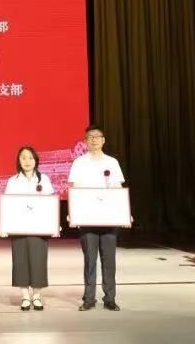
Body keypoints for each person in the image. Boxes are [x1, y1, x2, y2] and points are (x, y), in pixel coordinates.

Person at [68, 125, 126, 311]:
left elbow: (117, 189)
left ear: (103, 140)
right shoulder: (79, 163)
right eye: (90, 137)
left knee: (109, 261)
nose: (94, 139)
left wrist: (124, 212)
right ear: (85, 141)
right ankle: (89, 298)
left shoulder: (112, 162)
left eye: (97, 136)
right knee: (90, 261)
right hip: (87, 219)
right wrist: (73, 213)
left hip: (109, 219)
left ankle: (110, 298)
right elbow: (75, 190)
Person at [4, 146, 54, 311]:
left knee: (38, 261)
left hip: (39, 228)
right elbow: (7, 205)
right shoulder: (13, 181)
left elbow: (50, 204)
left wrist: (53, 225)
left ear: (36, 160)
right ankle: (25, 296)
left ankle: (37, 296)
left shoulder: (44, 180)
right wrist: (5, 226)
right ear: (19, 161)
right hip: (19, 227)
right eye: (23, 158)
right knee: (21, 261)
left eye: (30, 157)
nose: (27, 161)